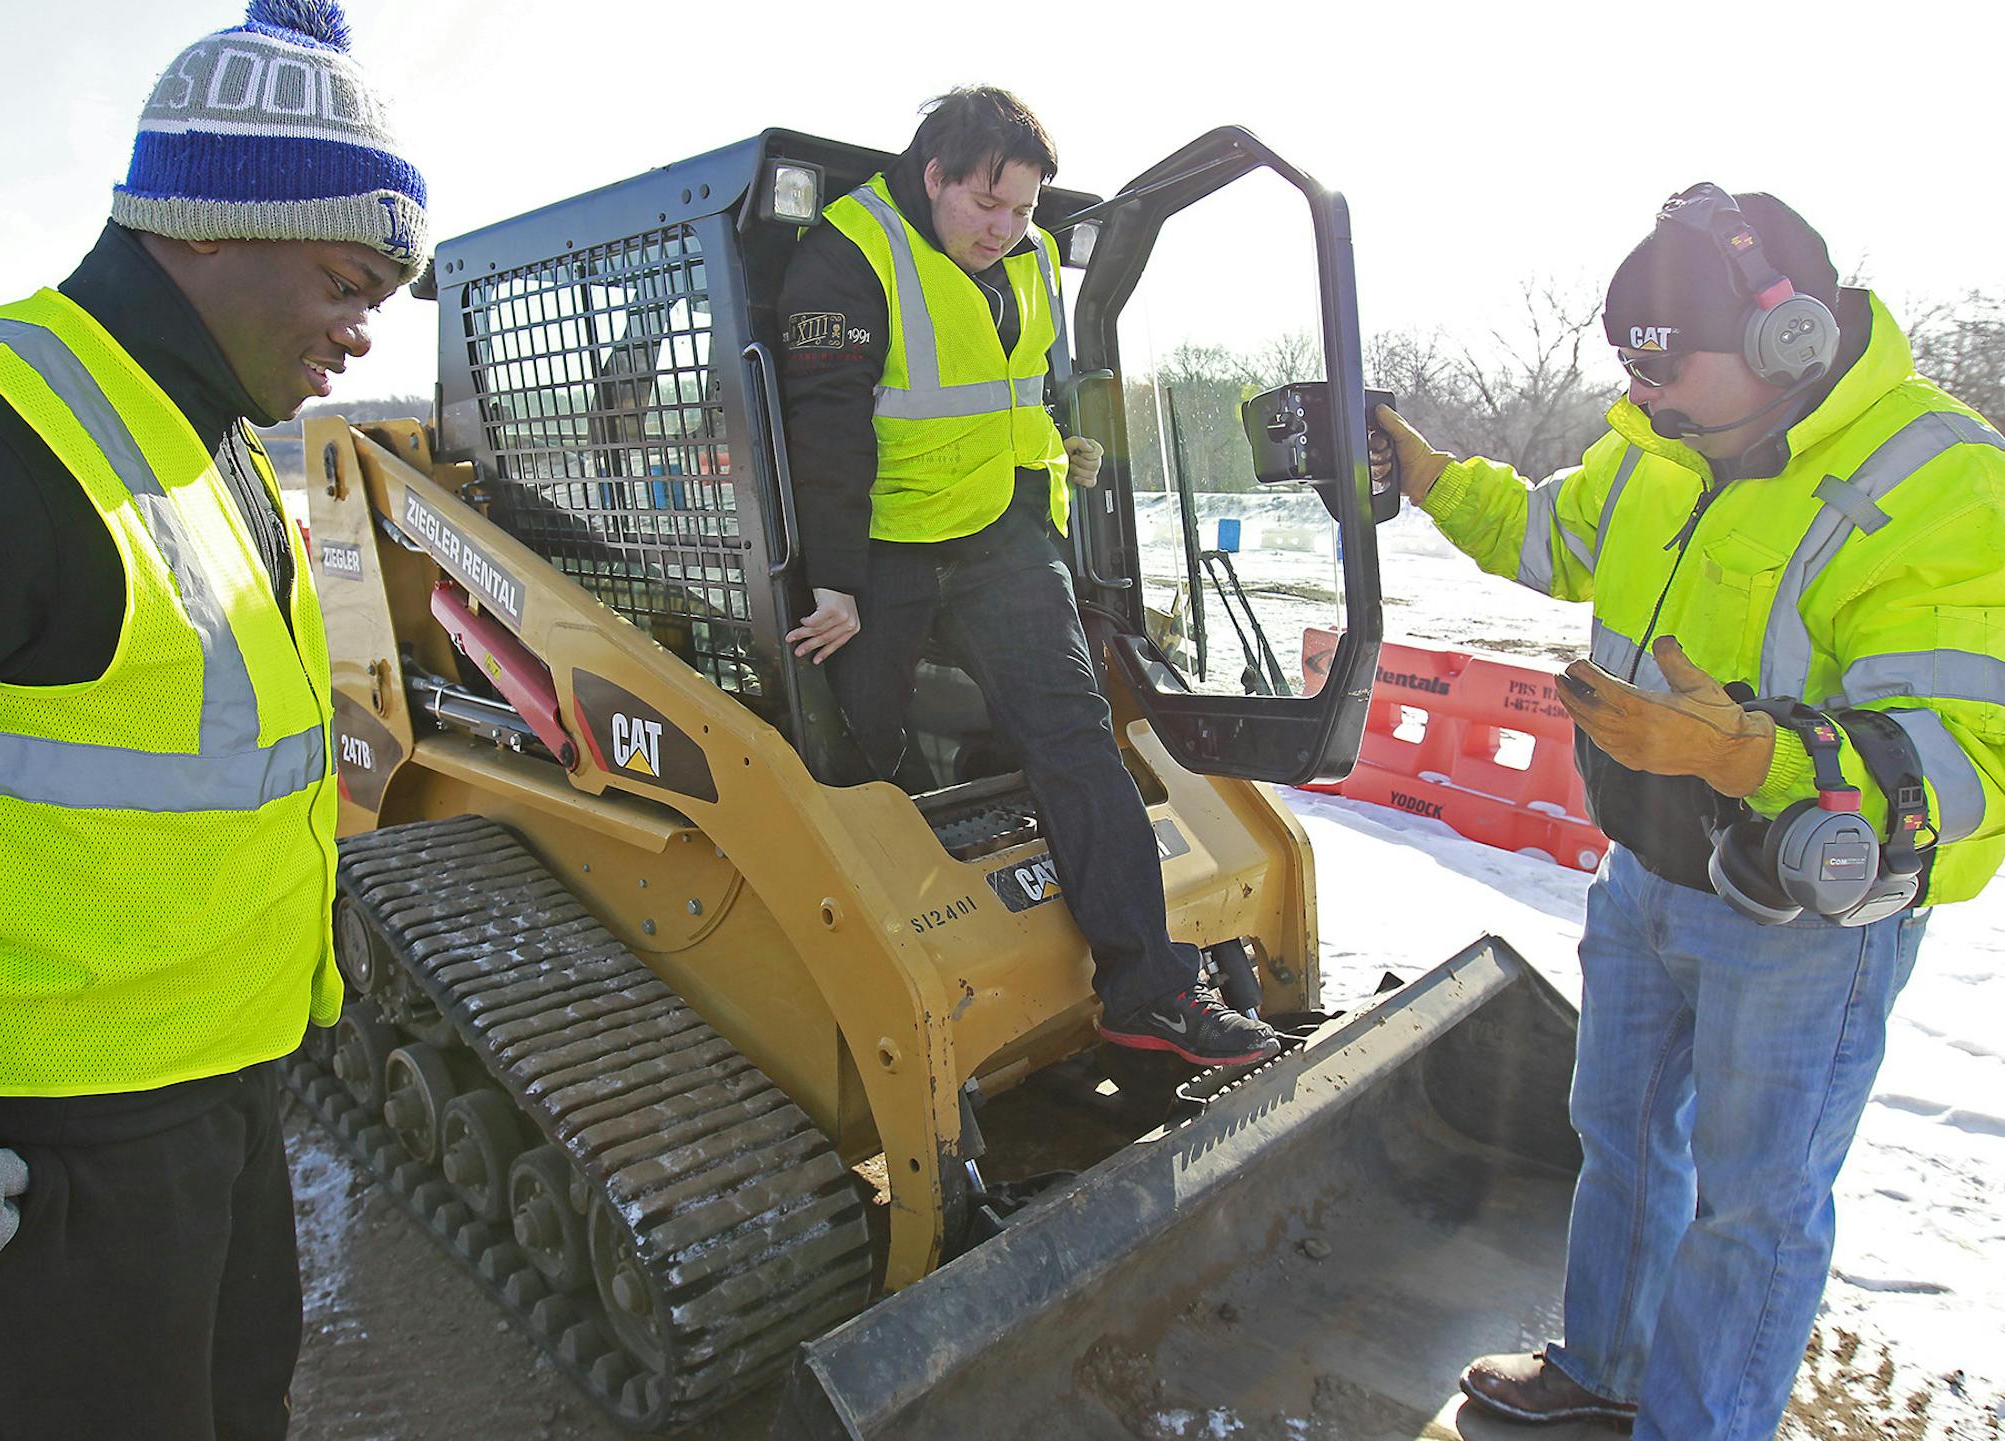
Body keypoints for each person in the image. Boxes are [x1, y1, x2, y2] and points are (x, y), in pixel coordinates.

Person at [0, 2, 426, 1435]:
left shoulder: (210, 444)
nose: (361, 331)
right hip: (31, 1169)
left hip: (204, 1118)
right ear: (214, 220)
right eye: (351, 275)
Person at [1374, 185, 2005, 1439]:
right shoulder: (1659, 447)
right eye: (1631, 370)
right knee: (1618, 1138)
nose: (1645, 396)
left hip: (1798, 923)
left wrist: (1756, 753)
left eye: (1668, 368)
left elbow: (1965, 759)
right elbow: (1556, 532)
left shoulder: (1937, 477)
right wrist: (1438, 478)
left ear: (1790, 340)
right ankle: (1605, 1367)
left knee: (1754, 1205)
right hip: (1644, 875)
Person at [777, 87, 1279, 1068]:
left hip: (1007, 539)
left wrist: (1058, 445)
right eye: (987, 207)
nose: (1007, 231)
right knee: (858, 758)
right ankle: (886, 996)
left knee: (1076, 735)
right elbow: (825, 431)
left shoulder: (1037, 257)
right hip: (888, 549)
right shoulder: (848, 253)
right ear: (935, 178)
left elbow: (1023, 386)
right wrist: (833, 582)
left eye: (1023, 210)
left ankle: (1152, 989)